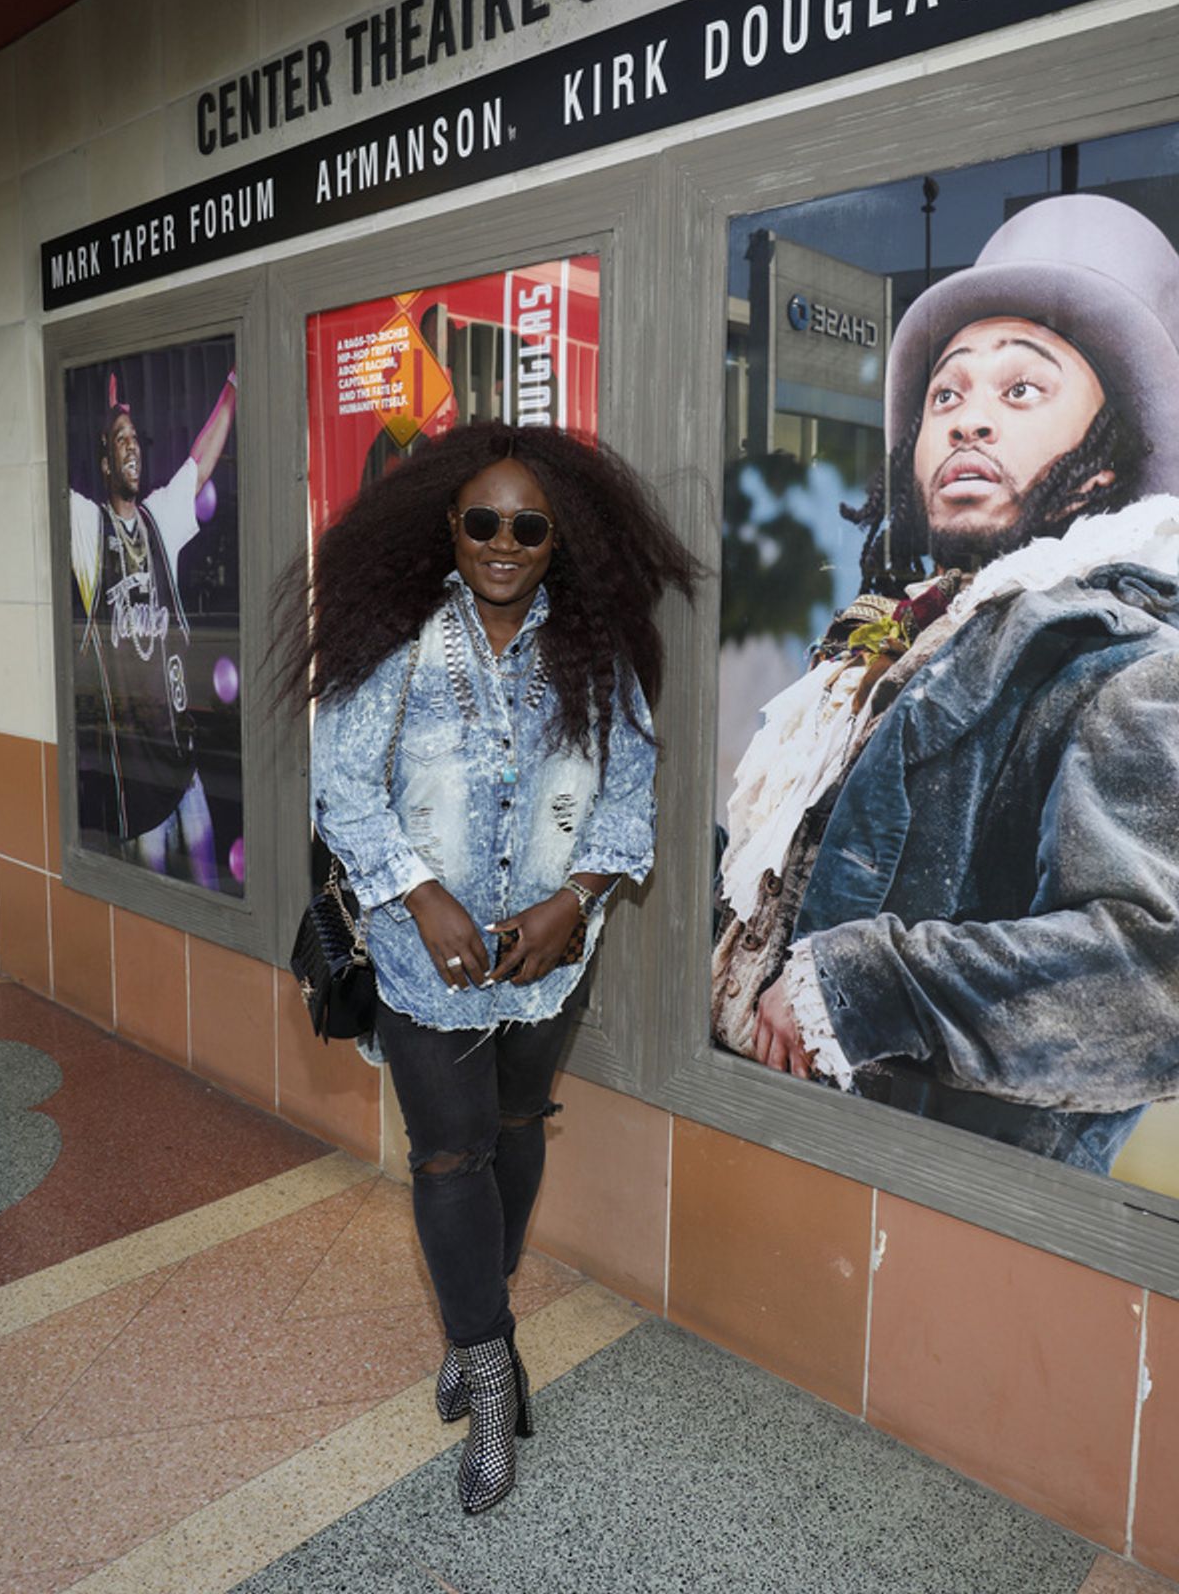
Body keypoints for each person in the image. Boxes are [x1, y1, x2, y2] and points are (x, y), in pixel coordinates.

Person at [713, 194, 1179, 1174]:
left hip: (959, 1209)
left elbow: (1150, 981)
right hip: (816, 1157)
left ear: (1102, 466)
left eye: (1022, 391)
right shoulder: (907, 631)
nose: (968, 415)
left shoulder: (1128, 659)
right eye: (946, 393)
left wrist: (856, 989)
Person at [290, 421, 696, 1513]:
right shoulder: (399, 640)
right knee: (446, 1157)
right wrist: (421, 896)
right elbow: (343, 787)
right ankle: (486, 1360)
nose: (503, 542)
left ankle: (481, 1306)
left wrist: (578, 900)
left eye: (528, 525)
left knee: (516, 1133)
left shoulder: (595, 652)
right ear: (451, 528)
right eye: (483, 522)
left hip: (550, 962)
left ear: (560, 539)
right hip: (427, 966)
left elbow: (625, 800)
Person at [70, 368, 237, 885]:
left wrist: (234, 383)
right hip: (136, 783)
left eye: (137, 439)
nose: (133, 448)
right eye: (121, 441)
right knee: (156, 909)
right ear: (104, 460)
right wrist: (105, 413)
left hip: (181, 765)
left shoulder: (158, 517)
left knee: (208, 886)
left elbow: (201, 462)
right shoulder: (87, 528)